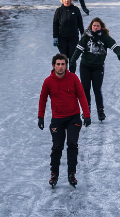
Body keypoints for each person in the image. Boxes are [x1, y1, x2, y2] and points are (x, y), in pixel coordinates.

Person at [38, 54, 91, 187]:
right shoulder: (48, 81)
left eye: (63, 64)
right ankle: (54, 174)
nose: (60, 67)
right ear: (53, 65)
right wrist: (41, 116)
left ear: (66, 66)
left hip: (73, 117)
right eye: (58, 64)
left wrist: (87, 114)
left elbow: (81, 96)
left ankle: (71, 174)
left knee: (72, 144)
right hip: (57, 119)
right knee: (57, 147)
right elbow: (43, 99)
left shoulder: (73, 78)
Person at [70, 17, 120, 122]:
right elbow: (78, 50)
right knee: (85, 90)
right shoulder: (86, 37)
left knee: (97, 89)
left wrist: (119, 53)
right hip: (85, 66)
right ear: (91, 27)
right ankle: (86, 112)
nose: (96, 27)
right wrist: (72, 61)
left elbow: (115, 46)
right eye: (94, 25)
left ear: (101, 27)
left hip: (98, 67)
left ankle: (100, 111)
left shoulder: (104, 37)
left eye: (98, 26)